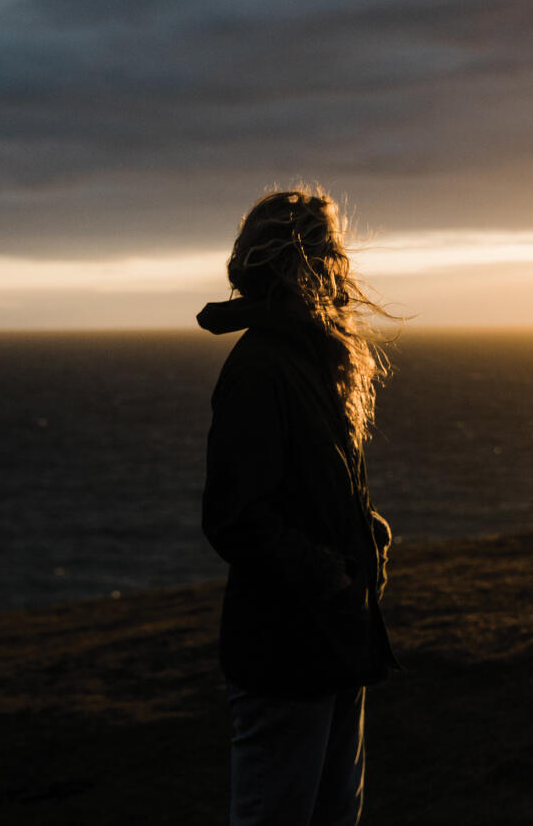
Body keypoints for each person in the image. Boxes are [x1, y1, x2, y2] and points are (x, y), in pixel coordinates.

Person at [199, 187, 400, 826]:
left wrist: (362, 531)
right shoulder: (262, 369)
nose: (344, 272)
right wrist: (330, 577)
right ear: (301, 268)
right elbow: (237, 516)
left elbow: (307, 489)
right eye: (331, 255)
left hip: (332, 640)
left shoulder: (308, 360)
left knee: (334, 815)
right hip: (287, 649)